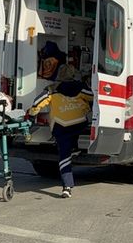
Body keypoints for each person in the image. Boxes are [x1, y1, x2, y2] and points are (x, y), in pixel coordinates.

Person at [27, 65, 93, 198]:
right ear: (73, 74)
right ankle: (75, 148)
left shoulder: (51, 89)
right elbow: (93, 97)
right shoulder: (81, 87)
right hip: (79, 123)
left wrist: (31, 114)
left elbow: (37, 103)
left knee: (64, 156)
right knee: (75, 136)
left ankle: (67, 187)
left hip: (61, 126)